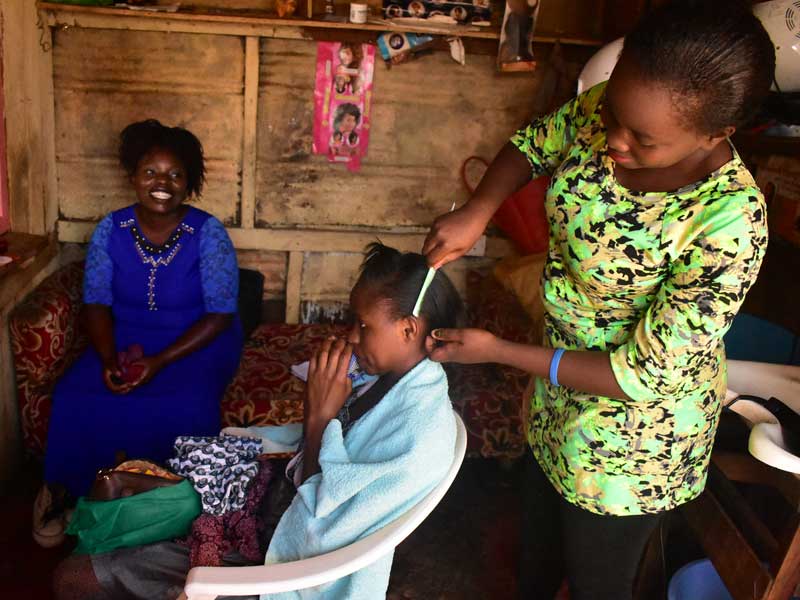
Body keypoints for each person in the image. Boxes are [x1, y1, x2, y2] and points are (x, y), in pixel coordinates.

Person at [422, 1, 775, 598]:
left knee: (596, 584)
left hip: (631, 447)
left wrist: (500, 351)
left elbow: (638, 377)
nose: (613, 138)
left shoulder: (730, 226)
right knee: (533, 566)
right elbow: (534, 144)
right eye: (613, 111)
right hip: (555, 396)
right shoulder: (614, 105)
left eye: (643, 138)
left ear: (717, 133)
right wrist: (478, 211)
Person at [53, 242, 463, 600]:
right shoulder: (390, 382)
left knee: (72, 578)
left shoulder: (418, 431)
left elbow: (321, 530)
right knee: (133, 502)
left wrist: (319, 414)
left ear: (409, 329)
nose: (351, 337)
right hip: (265, 504)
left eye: (363, 325)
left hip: (281, 559)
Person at [35, 119, 244, 546]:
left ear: (190, 183)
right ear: (133, 176)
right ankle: (67, 492)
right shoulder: (111, 229)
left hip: (196, 342)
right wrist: (110, 358)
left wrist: (160, 361)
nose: (162, 183)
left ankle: (162, 505)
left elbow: (220, 314)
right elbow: (95, 303)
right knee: (77, 394)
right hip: (124, 338)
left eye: (175, 174)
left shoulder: (209, 234)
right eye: (151, 172)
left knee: (188, 403)